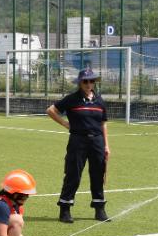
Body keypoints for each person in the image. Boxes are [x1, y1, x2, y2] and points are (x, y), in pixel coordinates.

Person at [46, 67, 110, 223]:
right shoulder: (71, 99)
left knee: (98, 175)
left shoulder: (99, 100)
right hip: (78, 141)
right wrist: (65, 124)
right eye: (85, 81)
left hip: (97, 142)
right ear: (80, 83)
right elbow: (51, 110)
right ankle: (65, 209)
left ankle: (99, 208)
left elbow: (103, 124)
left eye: (91, 81)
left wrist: (106, 146)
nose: (88, 84)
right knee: (73, 174)